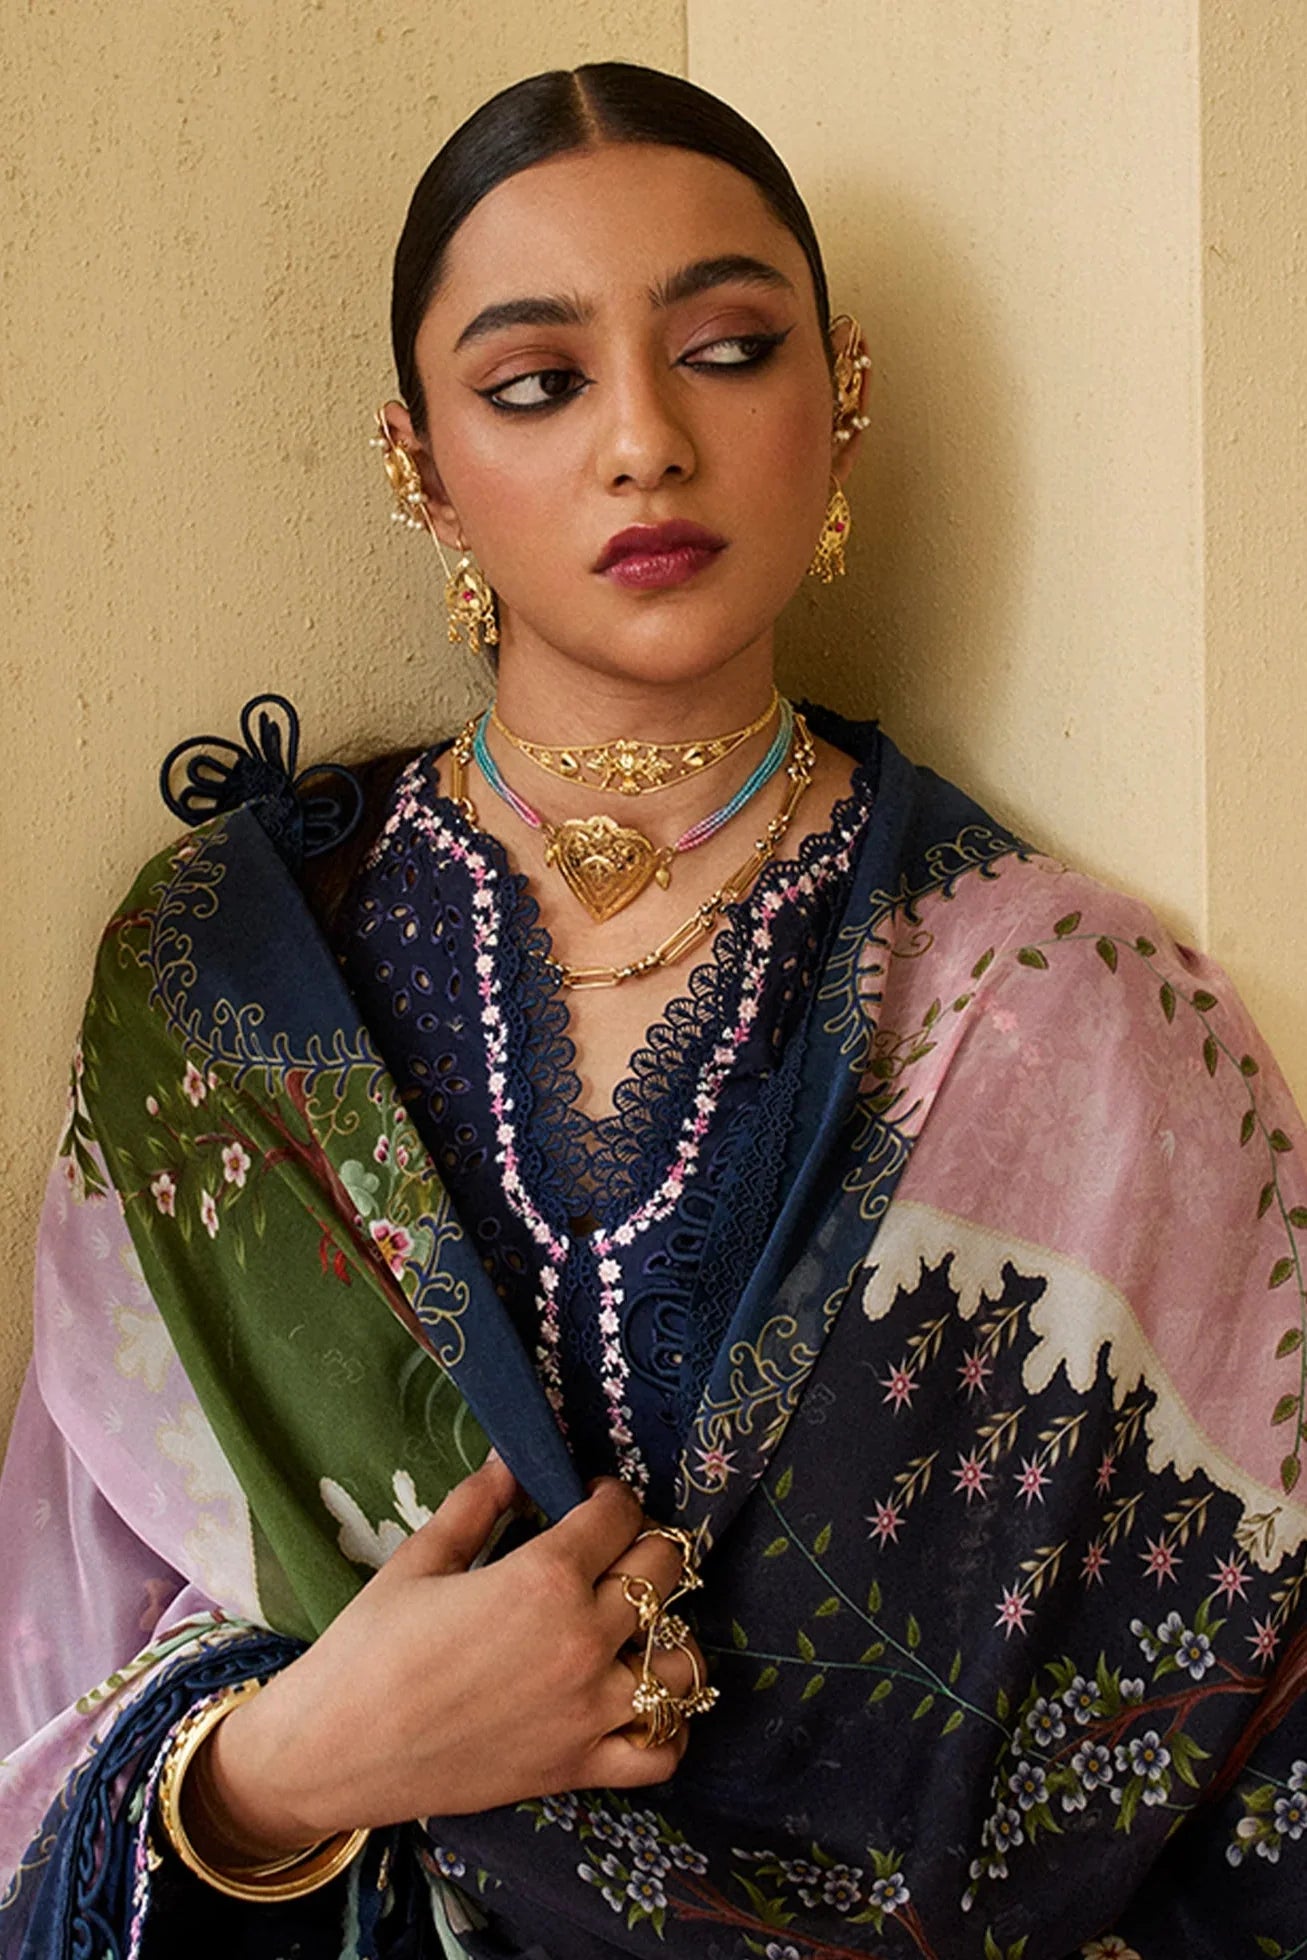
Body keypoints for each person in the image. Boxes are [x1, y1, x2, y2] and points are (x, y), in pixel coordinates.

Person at [1, 60, 1304, 1960]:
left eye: (727, 351)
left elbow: (1255, 1755)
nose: (644, 442)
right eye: (538, 383)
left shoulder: (1080, 1028)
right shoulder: (223, 1002)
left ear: (840, 397)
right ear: (420, 465)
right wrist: (295, 1766)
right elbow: (59, 1687)